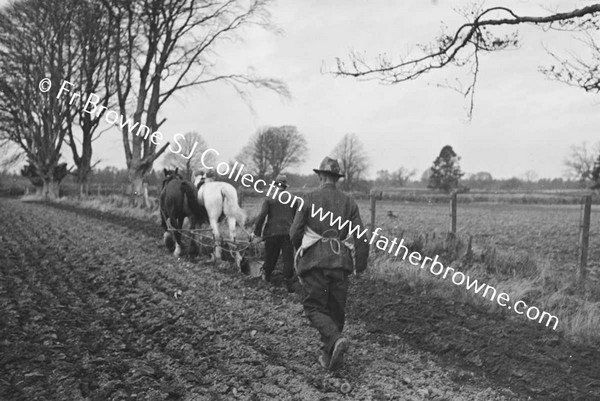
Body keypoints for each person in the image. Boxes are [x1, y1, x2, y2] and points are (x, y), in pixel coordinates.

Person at [289, 157, 369, 371]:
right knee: (336, 309)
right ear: (336, 178)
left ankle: (335, 340)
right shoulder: (349, 202)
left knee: (314, 306)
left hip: (315, 262)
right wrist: (360, 264)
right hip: (341, 263)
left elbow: (294, 232)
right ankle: (329, 356)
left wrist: (301, 250)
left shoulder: (309, 198)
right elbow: (361, 236)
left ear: (321, 176)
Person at [253, 174, 297, 291]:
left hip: (271, 234)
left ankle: (266, 279)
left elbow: (262, 216)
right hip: (288, 234)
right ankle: (287, 282)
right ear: (285, 186)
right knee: (288, 259)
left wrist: (257, 233)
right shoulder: (294, 199)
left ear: (275, 185)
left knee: (271, 257)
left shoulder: (269, 199)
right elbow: (297, 218)